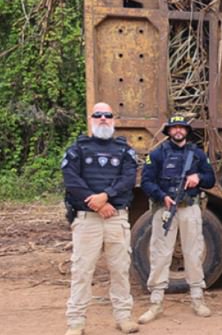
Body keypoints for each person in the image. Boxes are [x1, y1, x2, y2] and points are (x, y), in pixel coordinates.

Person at [62, 103, 139, 335]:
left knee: (120, 269)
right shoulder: (78, 148)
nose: (103, 119)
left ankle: (123, 317)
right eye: (98, 115)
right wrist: (93, 201)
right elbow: (71, 180)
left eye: (107, 115)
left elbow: (128, 179)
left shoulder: (124, 150)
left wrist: (105, 197)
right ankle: (76, 322)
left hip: (115, 217)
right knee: (82, 270)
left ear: (113, 119)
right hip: (87, 219)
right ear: (91, 119)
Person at [138, 116, 216, 324]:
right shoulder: (157, 154)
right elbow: (146, 181)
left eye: (182, 128)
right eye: (175, 128)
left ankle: (197, 299)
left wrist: (198, 178)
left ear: (187, 131)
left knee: (194, 252)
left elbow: (211, 179)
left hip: (190, 208)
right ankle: (156, 302)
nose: (178, 131)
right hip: (165, 209)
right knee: (160, 254)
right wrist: (161, 196)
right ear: (169, 132)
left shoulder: (197, 154)